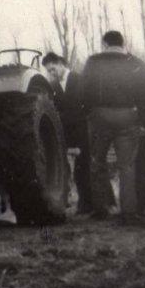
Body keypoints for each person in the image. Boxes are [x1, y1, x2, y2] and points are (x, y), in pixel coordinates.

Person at [82, 31, 145, 224]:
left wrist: (90, 114)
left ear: (104, 44)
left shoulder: (93, 62)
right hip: (128, 116)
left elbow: (84, 92)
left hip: (100, 117)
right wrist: (143, 123)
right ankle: (128, 212)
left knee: (97, 163)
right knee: (127, 166)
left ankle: (101, 209)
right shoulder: (137, 63)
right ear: (123, 43)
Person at [43, 52, 111, 214]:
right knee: (79, 170)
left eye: (53, 69)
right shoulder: (52, 88)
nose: (51, 73)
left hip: (85, 130)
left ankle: (104, 202)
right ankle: (85, 204)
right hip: (68, 134)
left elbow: (88, 106)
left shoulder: (80, 80)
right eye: (48, 71)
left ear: (61, 64)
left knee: (92, 166)